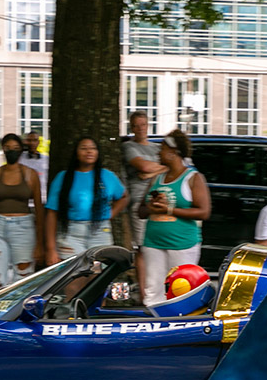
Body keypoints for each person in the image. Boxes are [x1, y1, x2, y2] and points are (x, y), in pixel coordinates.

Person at [139, 130, 211, 306]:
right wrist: (151, 208)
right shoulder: (156, 178)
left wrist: (170, 210)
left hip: (182, 244)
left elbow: (204, 212)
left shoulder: (193, 178)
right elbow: (140, 211)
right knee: (153, 290)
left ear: (173, 152)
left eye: (162, 149)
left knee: (181, 288)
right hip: (153, 243)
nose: (158, 153)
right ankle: (153, 324)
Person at [0, 134, 45, 290]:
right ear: (2, 149)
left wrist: (40, 244)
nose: (11, 151)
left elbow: (39, 211)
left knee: (23, 279)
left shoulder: (30, 175)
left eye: (15, 148)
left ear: (21, 150)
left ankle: (18, 313)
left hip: (24, 228)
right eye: (7, 148)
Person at [45, 137, 128, 265]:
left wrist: (110, 214)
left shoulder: (107, 176)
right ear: (76, 153)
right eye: (84, 148)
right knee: (74, 277)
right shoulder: (63, 177)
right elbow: (52, 213)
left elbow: (124, 197)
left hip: (100, 231)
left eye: (93, 148)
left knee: (97, 275)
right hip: (71, 233)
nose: (89, 151)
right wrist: (51, 249)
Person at [122, 111, 164, 255]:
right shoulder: (128, 147)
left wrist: (150, 174)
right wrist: (157, 169)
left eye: (143, 124)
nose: (140, 128)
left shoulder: (157, 148)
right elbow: (143, 167)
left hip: (159, 201)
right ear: (131, 128)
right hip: (140, 202)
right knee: (143, 247)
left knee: (159, 245)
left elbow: (172, 167)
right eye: (136, 126)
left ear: (148, 125)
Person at [21, 131, 49, 199]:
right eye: (29, 140)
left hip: (42, 196)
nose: (32, 143)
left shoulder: (46, 159)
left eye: (35, 140)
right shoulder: (20, 159)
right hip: (24, 198)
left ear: (39, 142)